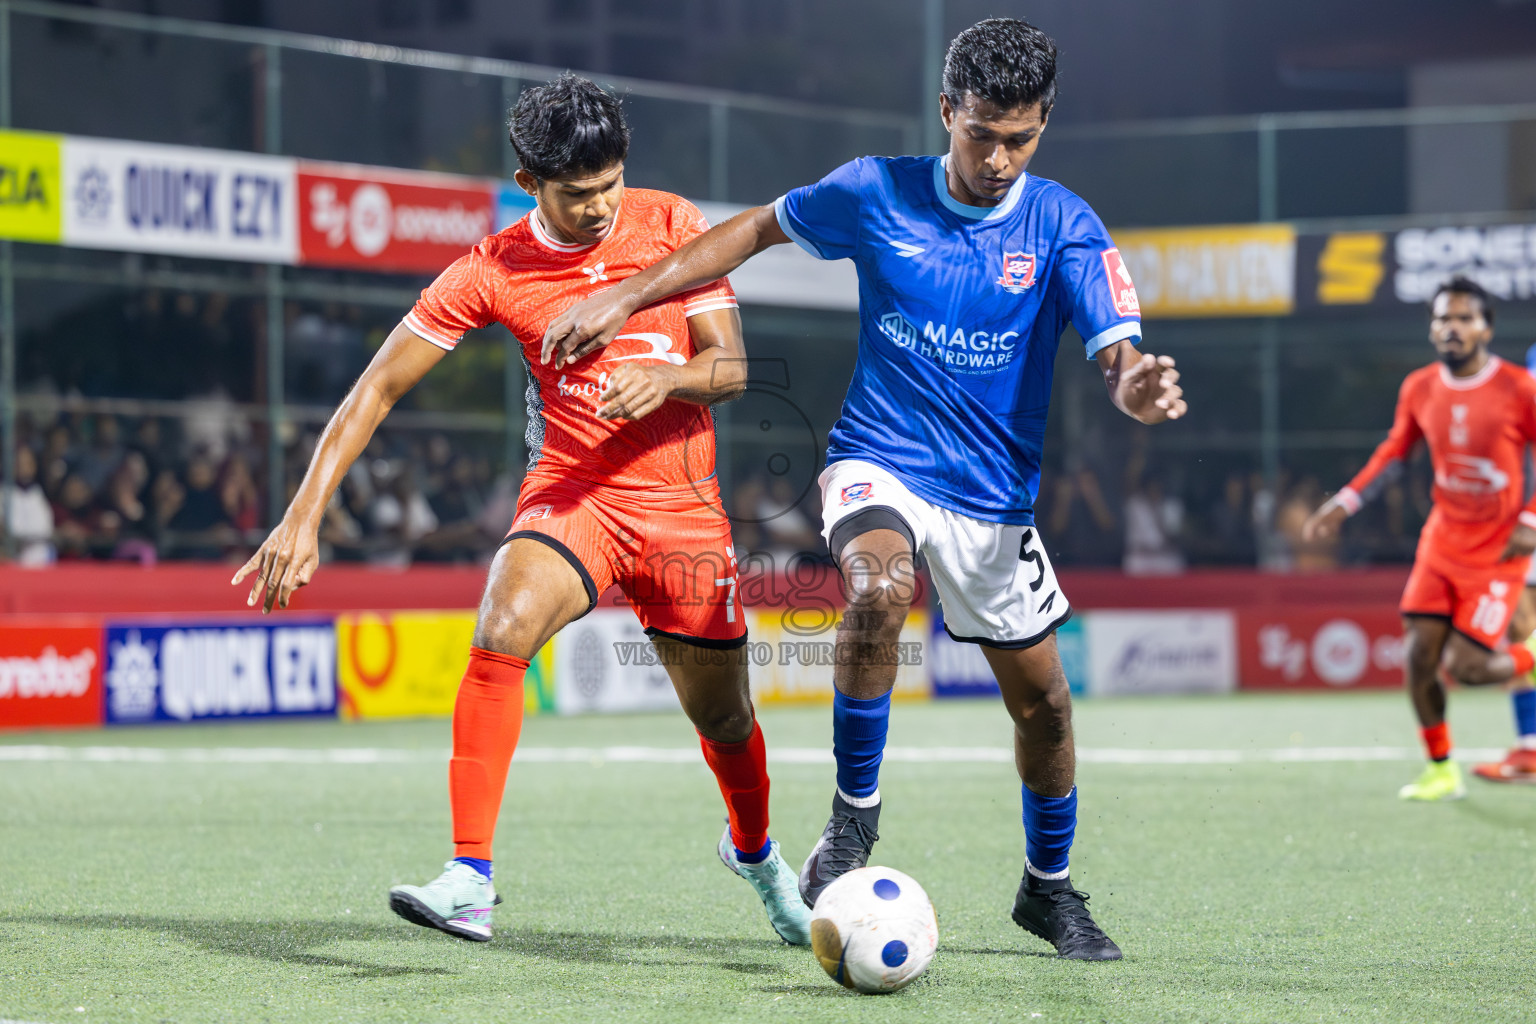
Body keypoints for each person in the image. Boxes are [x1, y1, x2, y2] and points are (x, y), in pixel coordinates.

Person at [543, 19, 1186, 961]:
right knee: (879, 589)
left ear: (1044, 123)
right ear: (946, 110)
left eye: (1020, 139)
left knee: (1045, 705)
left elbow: (1119, 357)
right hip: (878, 458)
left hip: (992, 499)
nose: (998, 160)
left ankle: (1048, 891)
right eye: (980, 134)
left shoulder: (1065, 226)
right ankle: (853, 817)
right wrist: (626, 294)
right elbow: (754, 230)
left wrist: (1136, 388)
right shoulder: (873, 191)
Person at [232, 74, 811, 946]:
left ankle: (758, 855)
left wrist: (667, 378)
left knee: (725, 719)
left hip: (681, 512)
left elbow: (730, 370)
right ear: (528, 182)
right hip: (574, 495)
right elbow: (377, 386)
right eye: (577, 194)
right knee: (502, 625)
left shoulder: (671, 224)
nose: (600, 207)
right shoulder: (493, 268)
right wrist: (303, 513)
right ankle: (469, 876)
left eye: (611, 184)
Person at [1304, 276, 1536, 800]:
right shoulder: (1420, 387)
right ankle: (1441, 769)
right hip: (1442, 542)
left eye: (1464, 318)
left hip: (1498, 551)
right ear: (1431, 328)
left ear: (1486, 328)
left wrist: (1531, 520)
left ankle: (1530, 658)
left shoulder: (1520, 389)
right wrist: (1345, 501)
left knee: (1468, 668)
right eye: (1442, 318)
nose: (1452, 328)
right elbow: (1394, 452)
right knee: (1417, 656)